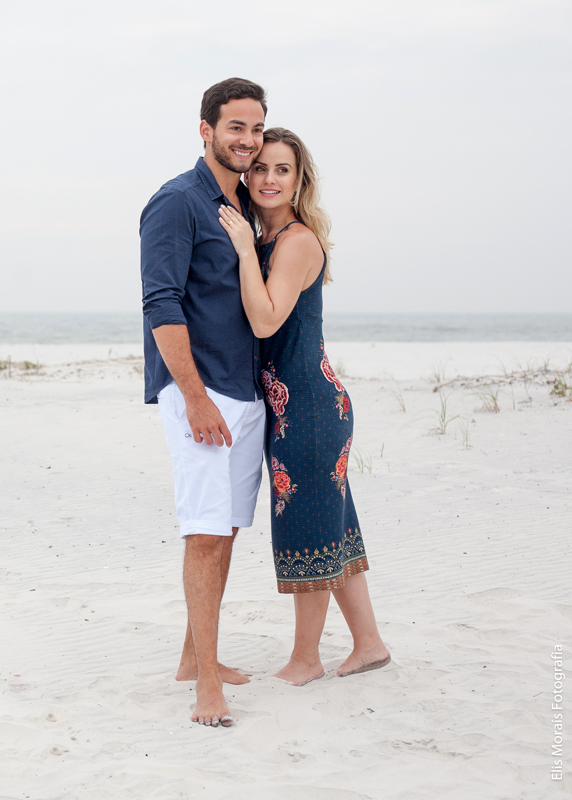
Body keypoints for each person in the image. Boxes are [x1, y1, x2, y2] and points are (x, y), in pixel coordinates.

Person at [216, 128, 391, 685]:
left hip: (311, 409)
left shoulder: (293, 242)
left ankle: (306, 659)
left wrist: (245, 251)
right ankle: (368, 644)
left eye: (282, 169)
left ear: (299, 179)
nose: (268, 178)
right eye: (260, 168)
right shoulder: (268, 239)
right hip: (294, 408)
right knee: (334, 526)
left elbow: (266, 319)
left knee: (308, 530)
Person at [140, 78, 267, 728]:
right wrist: (192, 397)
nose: (246, 139)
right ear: (206, 130)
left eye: (255, 128)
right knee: (205, 534)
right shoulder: (176, 202)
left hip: (243, 392)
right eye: (235, 127)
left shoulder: (244, 204)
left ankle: (196, 656)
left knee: (226, 530)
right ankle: (206, 687)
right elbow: (161, 303)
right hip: (202, 391)